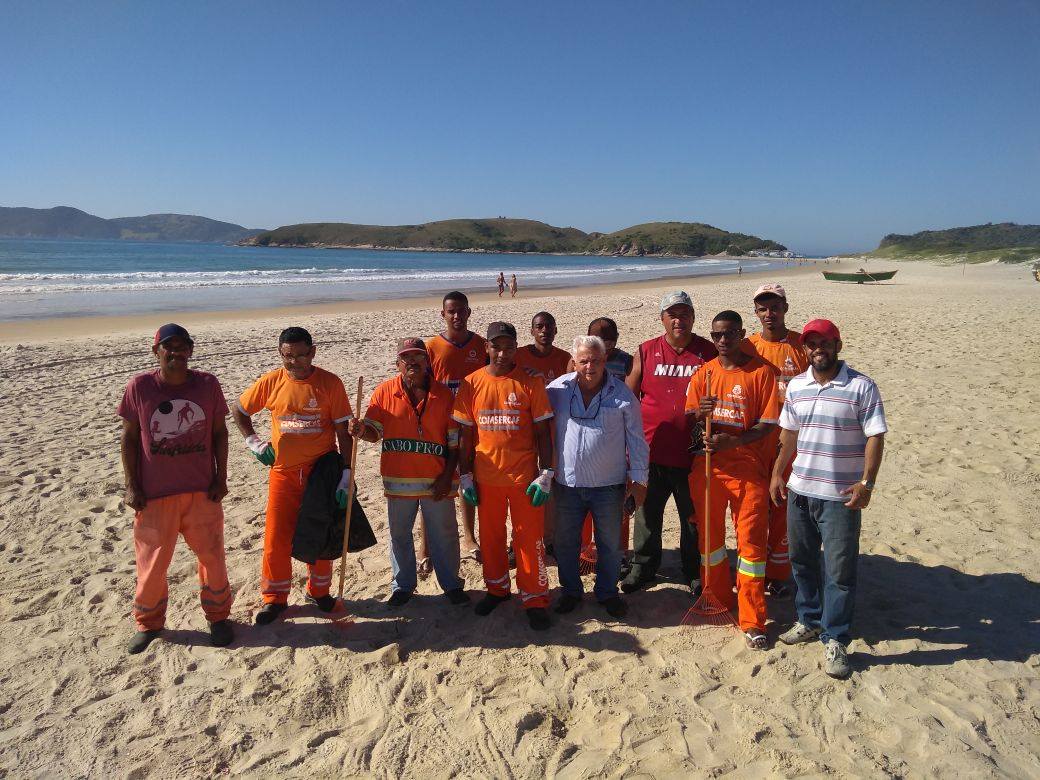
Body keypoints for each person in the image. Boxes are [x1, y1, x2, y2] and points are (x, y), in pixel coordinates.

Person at [770, 319, 887, 679]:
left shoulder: (861, 386)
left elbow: (875, 436)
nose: (817, 348)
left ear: (838, 344)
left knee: (839, 572)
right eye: (811, 343)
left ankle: (835, 637)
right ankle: (808, 619)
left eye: (824, 342)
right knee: (801, 562)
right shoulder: (797, 386)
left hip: (839, 496)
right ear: (804, 349)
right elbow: (789, 434)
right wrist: (778, 472)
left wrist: (867, 482)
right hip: (801, 491)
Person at [118, 324, 233, 654]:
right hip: (154, 496)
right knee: (152, 565)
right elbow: (128, 437)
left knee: (212, 558)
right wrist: (132, 486)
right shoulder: (140, 387)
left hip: (201, 491)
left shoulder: (207, 384)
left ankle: (218, 618)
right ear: (156, 352)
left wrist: (220, 478)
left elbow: (219, 434)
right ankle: (150, 623)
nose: (176, 353)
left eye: (183, 347)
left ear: (190, 351)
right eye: (169, 347)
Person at [233, 326, 354, 625]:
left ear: (312, 352)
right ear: (280, 354)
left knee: (320, 534)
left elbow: (343, 431)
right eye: (288, 357)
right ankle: (274, 598)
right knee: (277, 538)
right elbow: (239, 410)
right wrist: (254, 442)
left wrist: (346, 473)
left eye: (301, 355)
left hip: (320, 473)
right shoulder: (271, 381)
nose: (295, 363)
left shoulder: (330, 383)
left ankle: (320, 591)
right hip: (283, 474)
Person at [686, 311, 780, 650]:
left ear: (741, 334)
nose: (723, 340)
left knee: (751, 547)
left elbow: (768, 424)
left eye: (729, 334)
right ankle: (719, 598)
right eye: (716, 335)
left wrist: (735, 441)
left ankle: (752, 619)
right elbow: (690, 422)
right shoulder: (704, 374)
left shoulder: (762, 373)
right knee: (710, 543)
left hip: (748, 471)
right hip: (709, 470)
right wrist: (700, 414)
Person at [452, 321, 555, 630]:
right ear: (487, 348)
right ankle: (497, 589)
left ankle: (534, 598)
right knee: (492, 538)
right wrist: (466, 475)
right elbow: (465, 435)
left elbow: (543, 434)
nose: (502, 352)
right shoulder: (471, 383)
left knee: (528, 539)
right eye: (496, 346)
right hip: (487, 478)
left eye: (508, 346)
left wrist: (546, 473)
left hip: (524, 478)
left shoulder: (529, 383)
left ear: (515, 349)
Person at [350, 338, 468, 607]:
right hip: (398, 480)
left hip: (437, 481)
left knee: (445, 534)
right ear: (398, 364)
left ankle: (451, 584)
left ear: (427, 362)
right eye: (406, 358)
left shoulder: (444, 395)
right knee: (399, 534)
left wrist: (448, 476)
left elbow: (454, 443)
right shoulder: (383, 392)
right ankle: (403, 585)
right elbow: (373, 433)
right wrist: (359, 430)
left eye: (418, 357)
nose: (412, 362)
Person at [546, 336, 649, 618]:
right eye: (583, 360)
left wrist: (639, 482)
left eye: (595, 360)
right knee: (566, 543)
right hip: (567, 484)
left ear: (604, 361)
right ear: (574, 362)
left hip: (609, 486)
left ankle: (607, 592)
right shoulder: (556, 390)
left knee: (609, 544)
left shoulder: (623, 396)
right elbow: (538, 427)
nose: (589, 366)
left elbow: (637, 440)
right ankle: (570, 591)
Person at [622, 291, 716, 594]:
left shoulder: (708, 352)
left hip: (693, 454)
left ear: (693, 317)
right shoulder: (646, 351)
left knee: (692, 517)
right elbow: (626, 399)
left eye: (685, 314)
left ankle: (693, 568)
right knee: (647, 514)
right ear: (662, 318)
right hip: (651, 452)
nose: (679, 320)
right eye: (672, 314)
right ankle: (644, 567)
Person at [742, 283, 810, 598]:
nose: (769, 314)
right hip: (756, 439)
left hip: (792, 439)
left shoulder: (802, 346)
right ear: (756, 312)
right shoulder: (746, 347)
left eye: (775, 307)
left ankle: (779, 572)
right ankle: (751, 568)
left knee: (782, 504)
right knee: (754, 506)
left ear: (785, 307)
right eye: (763, 308)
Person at [425, 291, 486, 562]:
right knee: (434, 483)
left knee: (467, 478)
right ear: (443, 314)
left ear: (469, 313)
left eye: (462, 311)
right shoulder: (431, 347)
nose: (457, 316)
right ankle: (426, 547)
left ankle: (469, 537)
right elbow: (424, 387)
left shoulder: (482, 346)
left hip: (472, 424)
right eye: (452, 311)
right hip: (441, 423)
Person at [515, 312, 572, 385]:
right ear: (532, 332)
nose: (544, 330)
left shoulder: (565, 358)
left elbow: (570, 389)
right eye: (539, 327)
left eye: (549, 326)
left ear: (555, 330)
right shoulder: (518, 355)